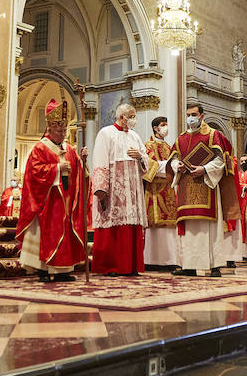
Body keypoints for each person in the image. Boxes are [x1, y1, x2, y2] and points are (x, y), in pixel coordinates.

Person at [17, 99, 88, 281]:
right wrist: (57, 169)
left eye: (64, 130)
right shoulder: (40, 148)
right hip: (48, 200)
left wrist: (82, 161)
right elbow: (34, 173)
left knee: (65, 230)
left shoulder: (69, 149)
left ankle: (63, 270)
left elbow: (79, 171)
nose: (63, 134)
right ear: (49, 129)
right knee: (47, 232)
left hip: (66, 198)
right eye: (59, 131)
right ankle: (44, 269)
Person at [172, 102, 239, 276]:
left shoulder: (212, 135)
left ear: (202, 116)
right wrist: (176, 166)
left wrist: (205, 169)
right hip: (187, 185)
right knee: (189, 228)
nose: (190, 118)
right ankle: (188, 266)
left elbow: (222, 160)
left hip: (206, 184)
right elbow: (173, 158)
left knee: (209, 227)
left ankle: (214, 265)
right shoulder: (181, 138)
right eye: (188, 115)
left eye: (193, 115)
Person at [90, 102, 150, 276]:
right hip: (114, 189)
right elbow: (100, 161)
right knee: (113, 223)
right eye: (131, 116)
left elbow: (145, 161)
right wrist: (101, 189)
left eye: (134, 116)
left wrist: (140, 157)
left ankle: (130, 265)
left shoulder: (135, 136)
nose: (133, 119)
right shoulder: (106, 133)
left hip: (133, 190)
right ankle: (111, 265)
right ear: (121, 116)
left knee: (130, 224)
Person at [142, 116, 179, 269]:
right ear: (155, 128)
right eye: (163, 125)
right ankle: (152, 260)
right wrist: (168, 165)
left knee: (169, 226)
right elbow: (148, 165)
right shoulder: (148, 146)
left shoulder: (169, 146)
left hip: (168, 188)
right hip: (154, 190)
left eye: (166, 124)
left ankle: (169, 260)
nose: (166, 127)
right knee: (155, 226)